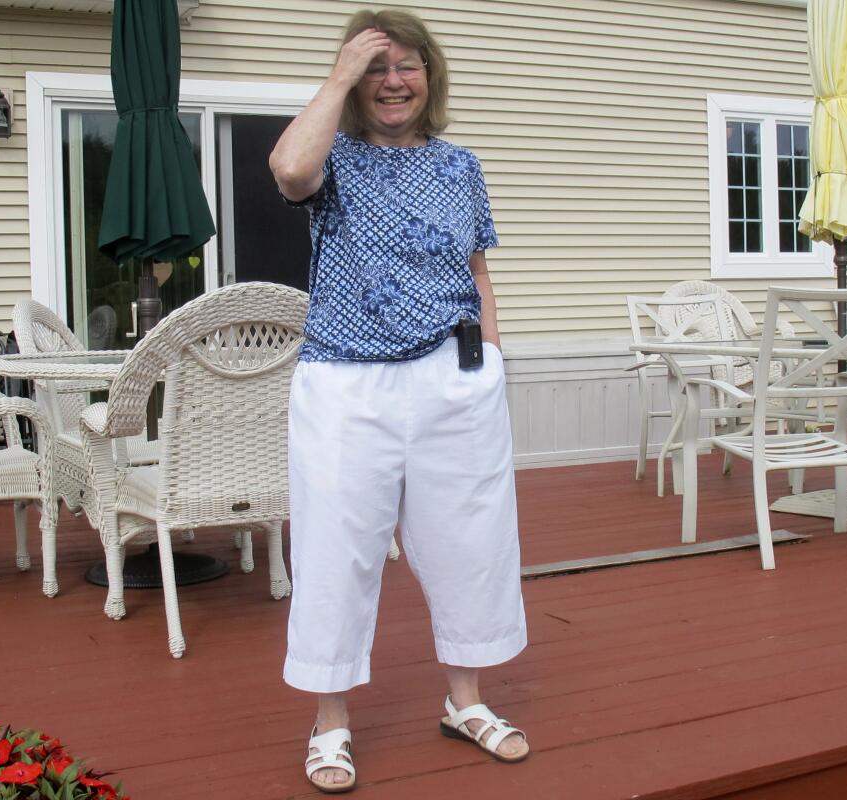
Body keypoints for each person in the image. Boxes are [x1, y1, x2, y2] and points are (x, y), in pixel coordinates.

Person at [268, 7, 530, 794]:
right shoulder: (333, 159)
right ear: (354, 79)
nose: (393, 81)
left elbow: (477, 271)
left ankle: (466, 703)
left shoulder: (461, 166)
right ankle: (330, 722)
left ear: (431, 75)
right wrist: (339, 73)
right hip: (348, 382)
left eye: (407, 64)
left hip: (456, 375)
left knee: (470, 542)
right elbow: (286, 170)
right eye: (377, 67)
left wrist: (491, 361)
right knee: (335, 550)